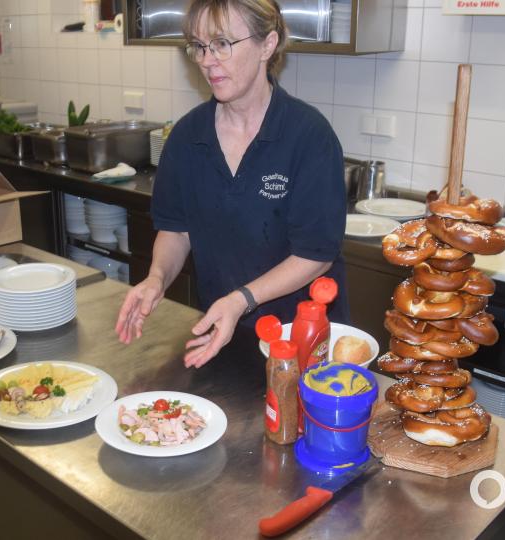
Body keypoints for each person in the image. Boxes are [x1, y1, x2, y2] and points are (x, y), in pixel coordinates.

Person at [115, 0, 348, 368]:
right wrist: (157, 278)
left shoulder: (308, 136)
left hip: (302, 343)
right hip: (221, 335)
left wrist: (241, 299)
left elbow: (316, 255)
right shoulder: (187, 137)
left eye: (222, 43)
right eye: (198, 46)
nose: (207, 60)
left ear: (267, 46)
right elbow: (177, 231)